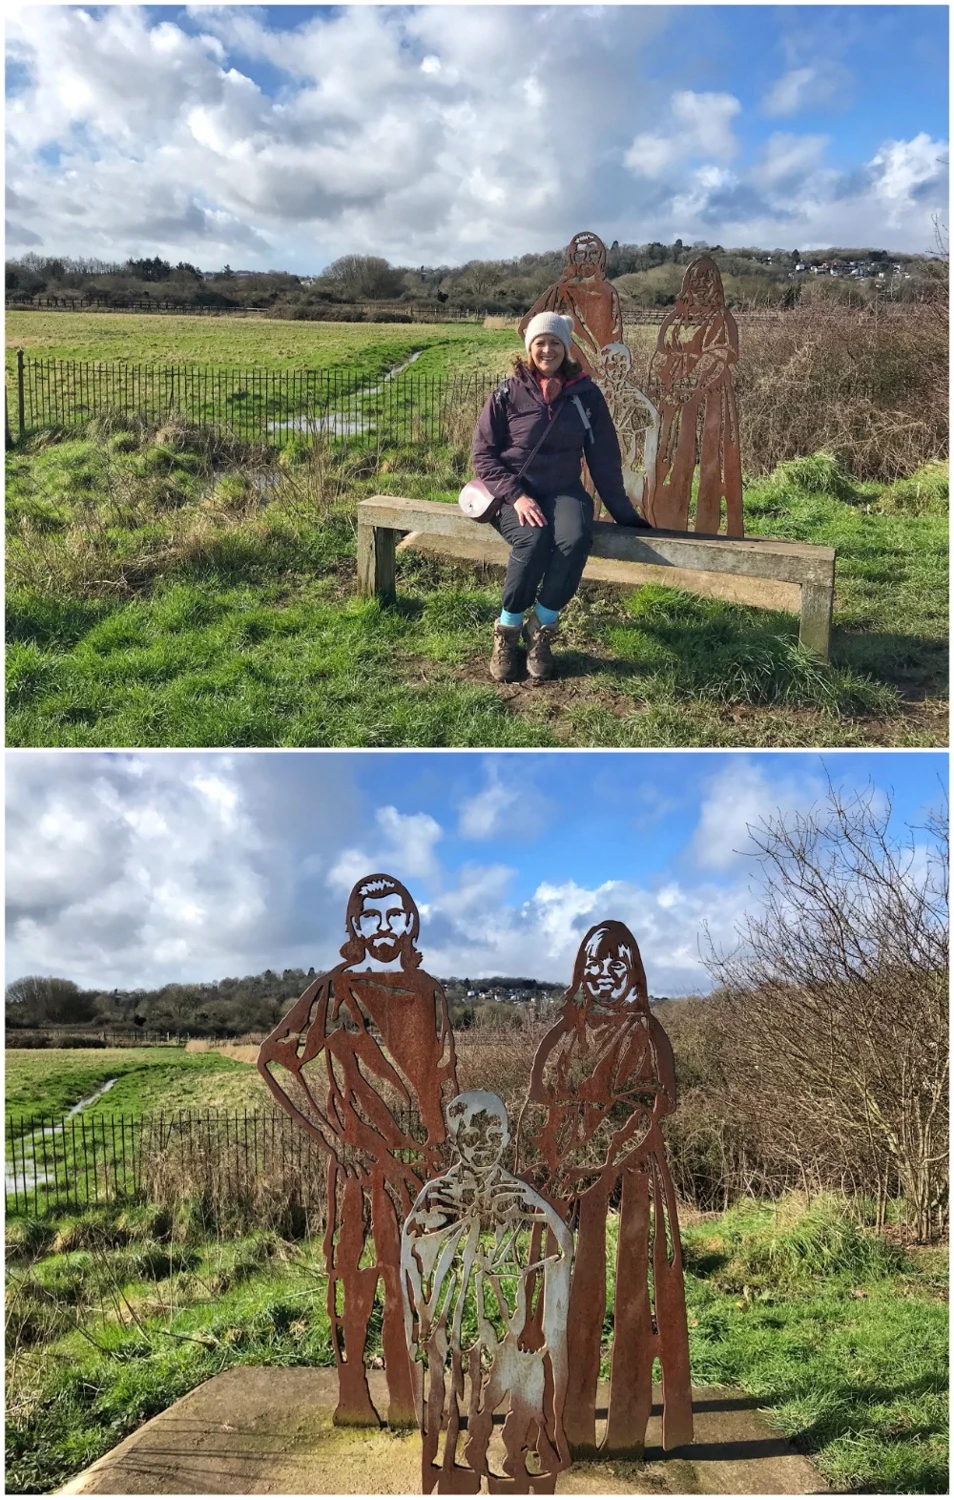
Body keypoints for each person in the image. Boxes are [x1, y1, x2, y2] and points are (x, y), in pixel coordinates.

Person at [258, 873, 458, 1430]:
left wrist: (451, 1149)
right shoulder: (335, 991)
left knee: (417, 1277)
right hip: (362, 1163)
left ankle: (414, 1394)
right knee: (356, 1272)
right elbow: (276, 1057)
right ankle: (355, 1394)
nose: (385, 928)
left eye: (396, 916)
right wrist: (330, 1137)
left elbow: (445, 1078)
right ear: (355, 925)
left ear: (411, 921)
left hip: (423, 1162)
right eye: (373, 917)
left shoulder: (430, 992)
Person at [517, 921, 693, 1459]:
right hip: (570, 1175)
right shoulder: (570, 1030)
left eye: (616, 966)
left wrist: (607, 1149)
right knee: (564, 1287)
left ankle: (628, 1421)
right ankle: (560, 1416)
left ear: (633, 971)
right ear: (581, 973)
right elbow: (540, 1092)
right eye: (595, 966)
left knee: (634, 1284)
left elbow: (658, 1102)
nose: (604, 976)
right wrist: (556, 1152)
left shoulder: (646, 1031)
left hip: (633, 1174)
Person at [402, 1091, 573, 1495]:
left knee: (516, 1402)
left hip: (508, 1329)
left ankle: (517, 1468)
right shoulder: (436, 1195)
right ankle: (449, 1472)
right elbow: (412, 1255)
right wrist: (421, 1315)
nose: (483, 1143)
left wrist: (525, 1235)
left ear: (508, 1136)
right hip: (452, 1329)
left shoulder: (518, 1195)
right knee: (449, 1403)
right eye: (471, 1133)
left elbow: (561, 1244)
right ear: (456, 1140)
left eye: (493, 1130)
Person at [472, 311, 651, 686]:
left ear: (566, 349)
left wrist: (624, 513)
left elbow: (604, 458)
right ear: (529, 348)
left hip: (564, 491)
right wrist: (517, 497)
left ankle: (542, 627)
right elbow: (483, 457)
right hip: (513, 492)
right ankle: (507, 630)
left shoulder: (585, 396)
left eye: (555, 343)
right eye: (540, 343)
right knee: (532, 538)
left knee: (574, 539)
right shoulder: (506, 393)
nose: (547, 350)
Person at [647, 256, 743, 537]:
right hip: (673, 394)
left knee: (709, 452)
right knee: (670, 448)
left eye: (707, 278)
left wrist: (696, 377)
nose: (701, 283)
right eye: (696, 277)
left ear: (715, 284)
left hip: (709, 394)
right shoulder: (675, 317)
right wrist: (664, 377)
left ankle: (707, 521)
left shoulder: (721, 318)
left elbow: (722, 353)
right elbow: (660, 353)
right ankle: (666, 513)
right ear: (687, 281)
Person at [518, 231, 623, 376]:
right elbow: (524, 327)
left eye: (593, 254)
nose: (587, 260)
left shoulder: (609, 292)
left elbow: (617, 336)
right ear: (572, 259)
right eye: (580, 255)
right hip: (573, 374)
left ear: (601, 257)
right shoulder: (561, 290)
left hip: (608, 371)